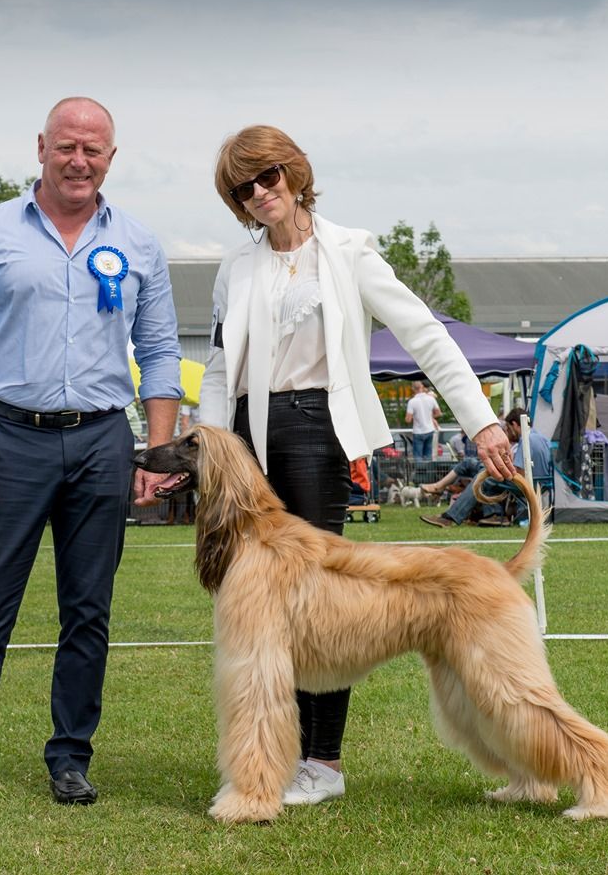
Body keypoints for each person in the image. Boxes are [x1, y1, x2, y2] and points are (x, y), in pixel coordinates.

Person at [200, 125, 514, 807]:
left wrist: (481, 419)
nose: (259, 193)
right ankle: (267, 764)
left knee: (324, 601)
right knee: (259, 614)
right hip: (250, 439)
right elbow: (223, 365)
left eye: (269, 177)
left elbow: (424, 333)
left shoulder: (348, 251)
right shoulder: (237, 267)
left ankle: (323, 762)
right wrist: (209, 445)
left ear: (295, 172)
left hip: (319, 433)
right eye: (243, 187)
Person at [0, 97, 182, 812]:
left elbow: (158, 352)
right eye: (67, 146)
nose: (79, 160)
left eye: (93, 149)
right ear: (41, 148)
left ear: (111, 158)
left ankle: (70, 757)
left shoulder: (141, 244)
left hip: (101, 440)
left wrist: (156, 450)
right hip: (7, 438)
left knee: (88, 611)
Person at [421, 408, 552, 528]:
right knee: (473, 464)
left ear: (515, 424)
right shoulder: (543, 438)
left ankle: (450, 516)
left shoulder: (526, 440)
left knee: (485, 476)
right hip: (543, 483)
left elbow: (519, 473)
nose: (506, 432)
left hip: (529, 485)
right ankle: (490, 513)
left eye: (507, 427)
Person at [405, 380, 441, 459]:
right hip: (429, 430)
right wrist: (430, 417)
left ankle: (419, 471)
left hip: (418, 431)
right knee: (428, 455)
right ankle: (428, 471)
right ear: (422, 387)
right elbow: (438, 413)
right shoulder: (431, 399)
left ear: (413, 388)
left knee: (418, 456)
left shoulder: (412, 402)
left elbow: (408, 420)